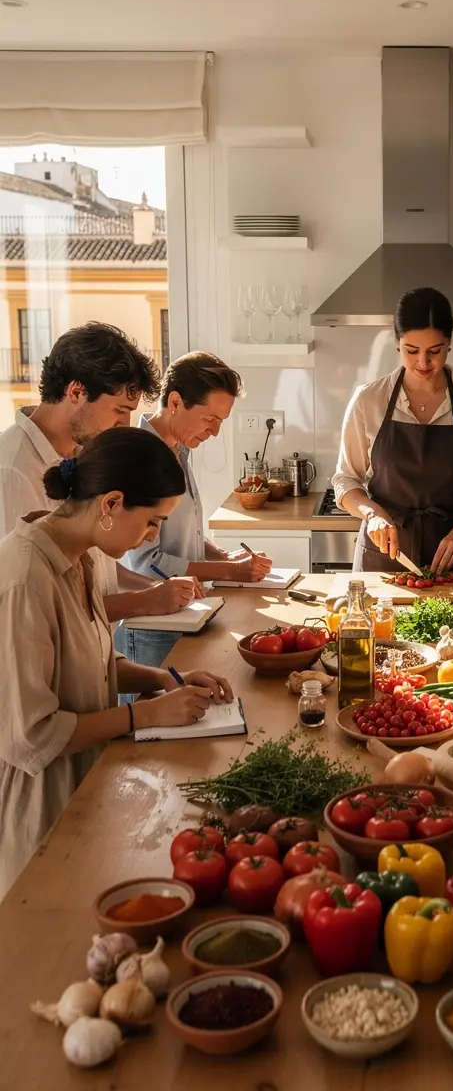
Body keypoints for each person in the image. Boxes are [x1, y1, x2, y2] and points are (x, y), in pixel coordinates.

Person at [0, 427, 232, 899]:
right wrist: (145, 714)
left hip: (87, 790)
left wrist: (168, 679)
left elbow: (93, 662)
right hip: (42, 813)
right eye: (152, 522)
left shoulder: (81, 556)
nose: (153, 536)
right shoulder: (25, 577)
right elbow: (33, 734)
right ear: (110, 503)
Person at [0, 322, 202, 623]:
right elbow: (26, 607)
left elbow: (95, 562)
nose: (125, 423)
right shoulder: (13, 469)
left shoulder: (83, 453)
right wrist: (142, 602)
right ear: (77, 392)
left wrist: (151, 588)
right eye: (119, 410)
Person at [332, 287, 453, 575]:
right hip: (384, 555)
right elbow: (345, 479)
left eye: (434, 351)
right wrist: (372, 514)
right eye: (411, 351)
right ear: (397, 343)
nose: (423, 363)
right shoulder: (368, 400)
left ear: (449, 343)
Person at [120, 351, 272, 669]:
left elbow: (182, 534)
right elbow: (147, 564)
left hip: (186, 613)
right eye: (210, 419)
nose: (215, 432)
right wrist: (231, 572)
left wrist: (223, 556)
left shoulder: (179, 449)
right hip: (153, 625)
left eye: (221, 422)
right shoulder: (139, 459)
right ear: (175, 402)